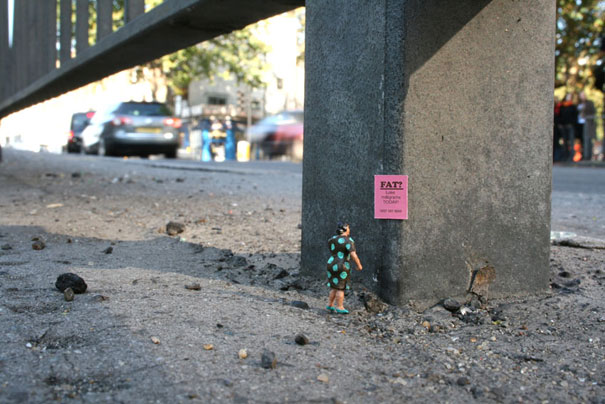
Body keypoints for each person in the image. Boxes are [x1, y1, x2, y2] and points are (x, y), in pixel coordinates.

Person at [326, 222, 362, 314]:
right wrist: (359, 265)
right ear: (345, 229)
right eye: (348, 228)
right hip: (342, 265)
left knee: (334, 286)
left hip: (331, 263)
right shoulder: (348, 240)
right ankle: (339, 306)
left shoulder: (332, 239)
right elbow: (353, 255)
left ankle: (330, 304)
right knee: (340, 287)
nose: (349, 230)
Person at [578, 92, 596, 161]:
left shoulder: (589, 103)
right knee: (582, 139)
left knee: (588, 139)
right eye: (581, 96)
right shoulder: (579, 103)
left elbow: (593, 111)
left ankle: (587, 155)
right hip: (580, 123)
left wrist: (585, 114)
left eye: (583, 95)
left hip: (588, 123)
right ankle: (583, 154)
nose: (582, 97)